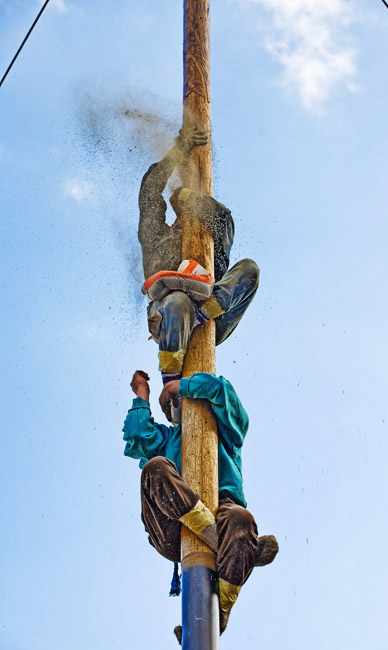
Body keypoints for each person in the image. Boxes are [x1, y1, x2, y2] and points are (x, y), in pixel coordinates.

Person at [122, 369, 278, 637]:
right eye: (169, 406)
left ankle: (220, 612)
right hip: (171, 524)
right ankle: (231, 548)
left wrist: (182, 385)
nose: (174, 404)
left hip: (224, 511)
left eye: (178, 399)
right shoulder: (168, 440)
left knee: (241, 519)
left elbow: (222, 392)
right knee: (155, 467)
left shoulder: (227, 430)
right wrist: (141, 394)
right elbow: (136, 437)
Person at [138, 127, 259, 387]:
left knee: (250, 269)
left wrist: (184, 196)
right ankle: (170, 380)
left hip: (212, 318)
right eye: (181, 220)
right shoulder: (155, 239)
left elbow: (223, 218)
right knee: (179, 301)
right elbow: (149, 190)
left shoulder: (213, 249)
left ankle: (203, 311)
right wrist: (179, 148)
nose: (183, 224)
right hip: (169, 316)